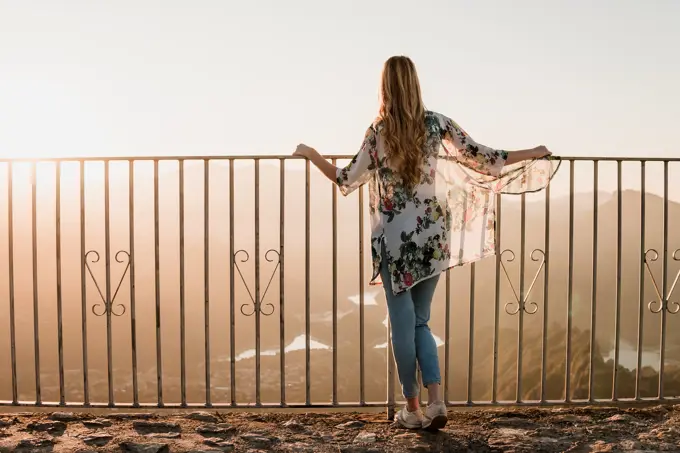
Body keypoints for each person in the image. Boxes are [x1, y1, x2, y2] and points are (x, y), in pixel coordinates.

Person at [293, 55, 560, 430]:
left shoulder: (379, 132)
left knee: (402, 326)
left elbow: (346, 178)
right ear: (415, 84)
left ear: (384, 86)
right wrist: (530, 153)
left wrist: (310, 155)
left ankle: (413, 410)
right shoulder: (437, 123)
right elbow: (483, 157)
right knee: (421, 322)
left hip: (396, 242)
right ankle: (437, 402)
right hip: (434, 235)